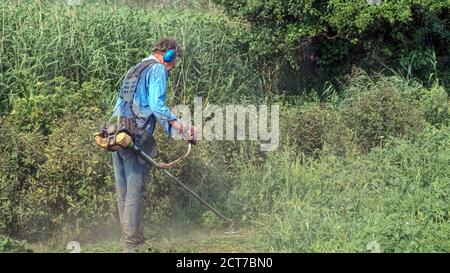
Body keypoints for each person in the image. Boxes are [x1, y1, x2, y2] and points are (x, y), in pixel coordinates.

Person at [111, 38, 193, 252]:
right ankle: (132, 244)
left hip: (117, 134)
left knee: (123, 189)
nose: (173, 66)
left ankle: (129, 238)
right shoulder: (157, 70)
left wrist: (171, 128)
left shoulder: (135, 68)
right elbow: (157, 105)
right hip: (136, 135)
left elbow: (121, 104)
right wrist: (180, 126)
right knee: (135, 190)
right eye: (174, 60)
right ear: (169, 56)